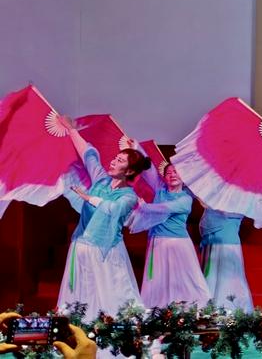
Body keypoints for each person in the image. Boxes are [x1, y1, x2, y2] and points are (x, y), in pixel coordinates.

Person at [56, 116, 147, 321]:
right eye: (115, 158)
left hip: (106, 250)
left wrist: (89, 198)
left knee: (112, 295)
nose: (113, 161)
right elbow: (88, 155)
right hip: (81, 244)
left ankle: (113, 330)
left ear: (129, 171)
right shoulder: (101, 179)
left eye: (120, 161)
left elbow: (113, 209)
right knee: (80, 294)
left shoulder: (128, 196)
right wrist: (71, 129)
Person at [128, 157, 211, 308]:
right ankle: (157, 309)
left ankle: (199, 307)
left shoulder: (185, 199)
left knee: (187, 278)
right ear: (164, 177)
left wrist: (145, 207)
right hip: (157, 242)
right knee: (157, 280)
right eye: (169, 173)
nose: (172, 175)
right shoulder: (160, 191)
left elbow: (166, 208)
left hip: (178, 244)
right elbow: (149, 170)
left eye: (176, 172)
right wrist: (136, 149)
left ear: (184, 177)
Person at [198, 207, 254, 312]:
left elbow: (240, 211)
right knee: (211, 274)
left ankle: (228, 308)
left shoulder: (241, 199)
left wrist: (219, 209)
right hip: (212, 236)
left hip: (227, 238)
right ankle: (208, 307)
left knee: (227, 275)